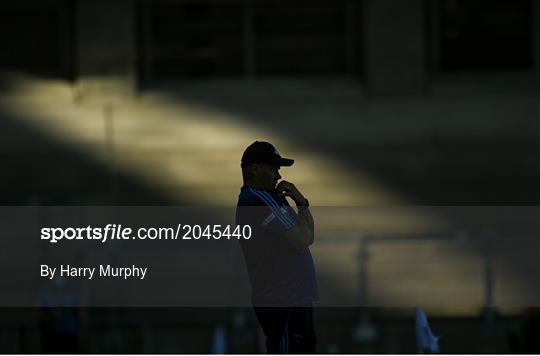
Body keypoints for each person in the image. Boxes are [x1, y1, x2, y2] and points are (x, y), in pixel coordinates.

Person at [235, 141, 318, 354]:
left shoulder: (270, 199)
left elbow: (308, 236)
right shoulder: (257, 200)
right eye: (273, 169)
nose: (278, 176)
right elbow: (302, 238)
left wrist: (302, 202)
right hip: (283, 301)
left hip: (294, 299)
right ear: (255, 169)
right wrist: (301, 211)